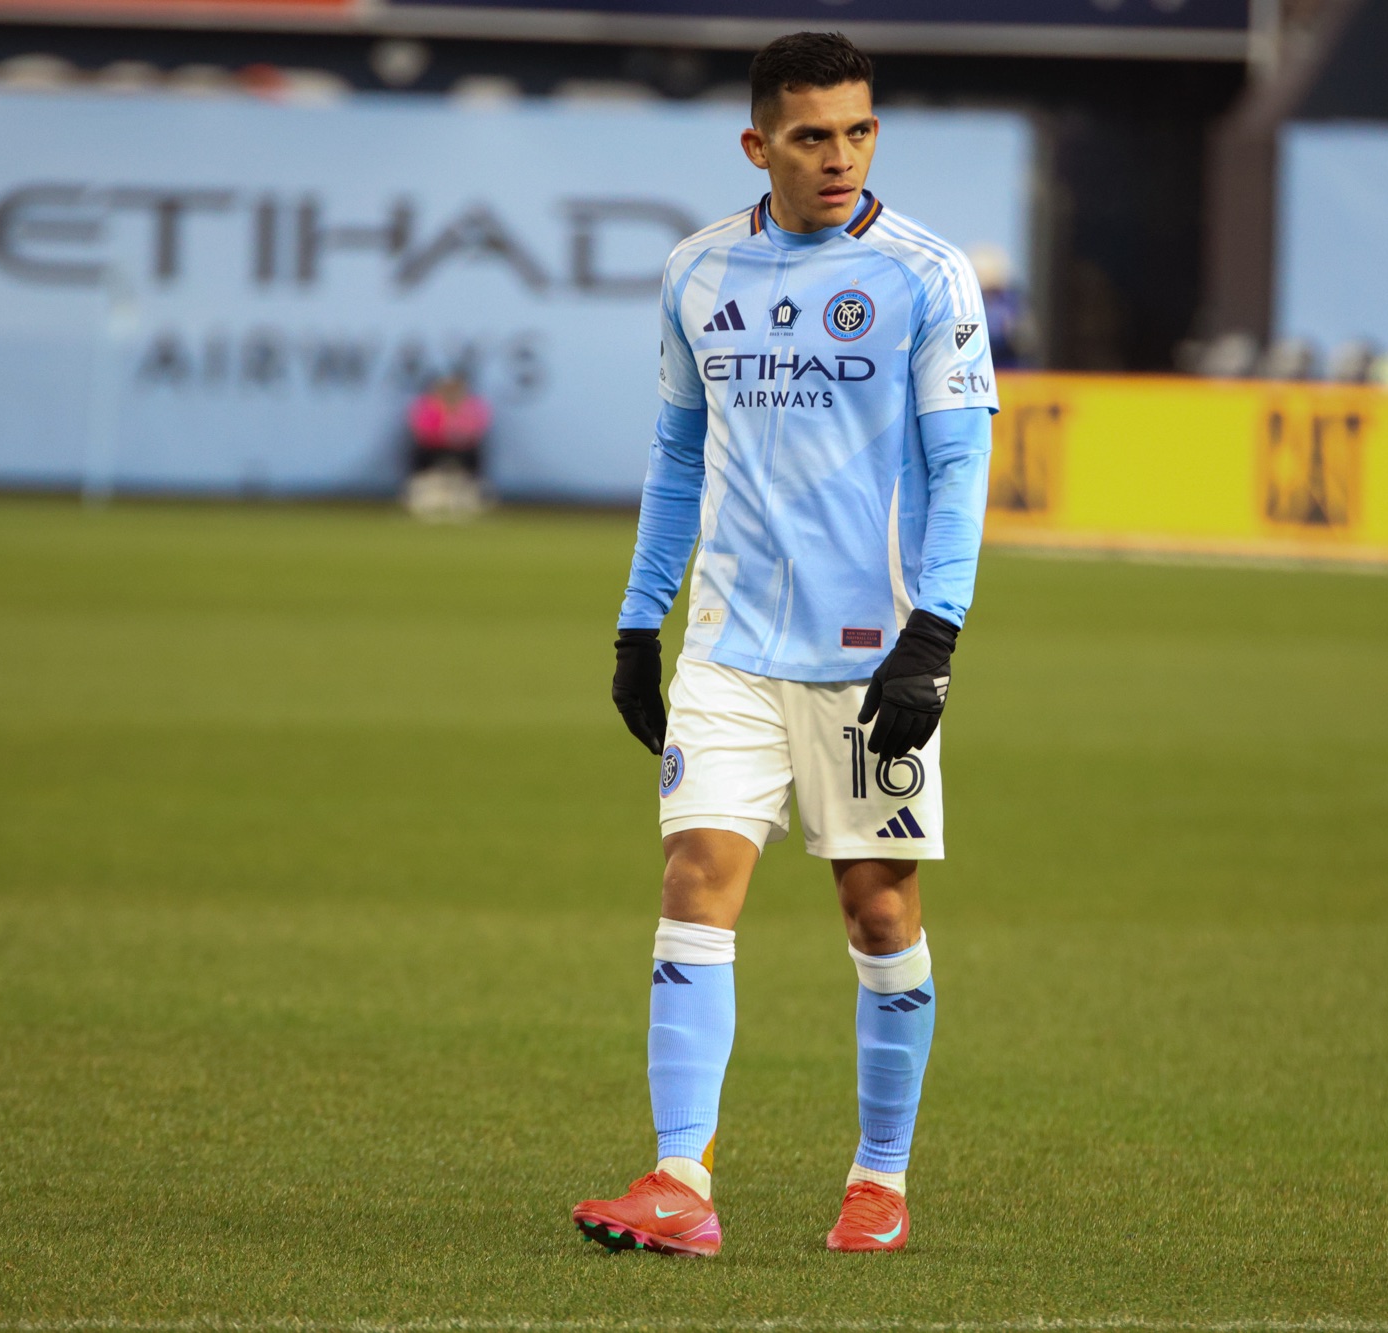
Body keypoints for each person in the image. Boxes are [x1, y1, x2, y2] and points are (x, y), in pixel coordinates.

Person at [573, 30, 996, 1257]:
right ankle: (678, 1181)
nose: (838, 156)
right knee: (694, 878)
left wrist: (934, 632)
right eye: (811, 136)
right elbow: (675, 454)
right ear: (756, 144)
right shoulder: (697, 269)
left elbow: (961, 466)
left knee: (877, 909)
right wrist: (638, 620)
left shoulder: (925, 275)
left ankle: (878, 1178)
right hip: (727, 648)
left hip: (869, 660)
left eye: (857, 131)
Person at [402, 372, 491, 519]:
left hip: (463, 448)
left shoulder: (471, 406)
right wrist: (446, 432)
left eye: (454, 389)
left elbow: (476, 429)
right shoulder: (428, 406)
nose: (450, 393)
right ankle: (418, 490)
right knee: (418, 452)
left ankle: (473, 492)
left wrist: (457, 434)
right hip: (433, 448)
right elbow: (422, 431)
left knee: (475, 453)